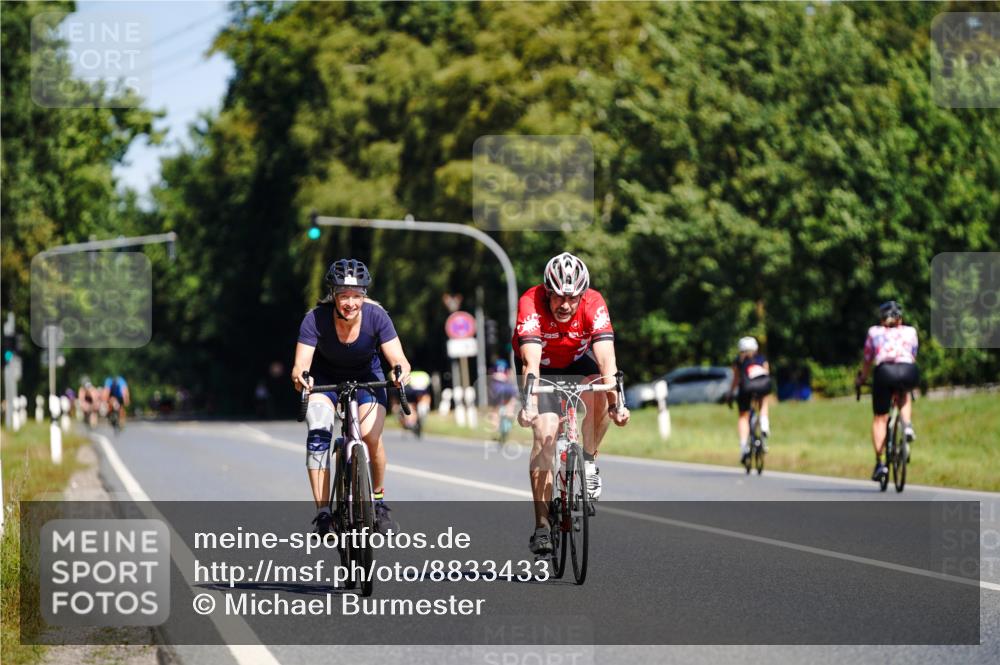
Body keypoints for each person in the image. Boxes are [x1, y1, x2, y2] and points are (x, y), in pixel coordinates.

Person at [514, 252, 630, 555]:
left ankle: (589, 461)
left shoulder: (595, 303)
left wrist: (618, 404)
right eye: (558, 298)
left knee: (602, 395)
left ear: (583, 294)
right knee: (546, 432)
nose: (565, 305)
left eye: (573, 298)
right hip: (543, 368)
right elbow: (531, 363)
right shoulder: (531, 303)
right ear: (547, 292)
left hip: (578, 361)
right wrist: (529, 405)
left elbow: (607, 361)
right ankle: (541, 525)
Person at [291, 259, 412, 535]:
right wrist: (302, 378)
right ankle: (323, 513)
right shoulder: (315, 319)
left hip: (368, 379)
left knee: (370, 436)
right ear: (333, 295)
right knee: (319, 432)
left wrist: (399, 373)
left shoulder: (376, 316)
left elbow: (400, 360)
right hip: (325, 381)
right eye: (344, 296)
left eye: (357, 296)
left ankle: (378, 502)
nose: (350, 303)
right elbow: (301, 365)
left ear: (364, 296)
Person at [854, 300, 919, 482]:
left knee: (880, 417)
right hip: (908, 370)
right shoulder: (910, 331)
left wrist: (862, 379)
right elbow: (913, 354)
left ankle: (880, 463)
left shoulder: (874, 332)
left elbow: (868, 360)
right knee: (904, 393)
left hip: (885, 371)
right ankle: (906, 425)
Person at [727, 336, 772, 465]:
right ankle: (764, 423)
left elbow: (736, 380)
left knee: (743, 416)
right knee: (763, 400)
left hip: (746, 389)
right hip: (763, 386)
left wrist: (730, 394)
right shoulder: (762, 359)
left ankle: (743, 447)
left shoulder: (739, 361)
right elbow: (766, 374)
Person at [487, 359, 518, 435]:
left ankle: (495, 426)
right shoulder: (507, 370)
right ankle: (510, 413)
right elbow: (510, 375)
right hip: (507, 389)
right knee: (511, 402)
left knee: (495, 409)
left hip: (497, 389)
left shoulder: (494, 371)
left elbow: (491, 375)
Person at [400, 369, 432, 435]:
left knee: (421, 408)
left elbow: (426, 397)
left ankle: (415, 422)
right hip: (411, 394)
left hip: (414, 394)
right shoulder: (409, 389)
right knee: (411, 410)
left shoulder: (423, 386)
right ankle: (411, 422)